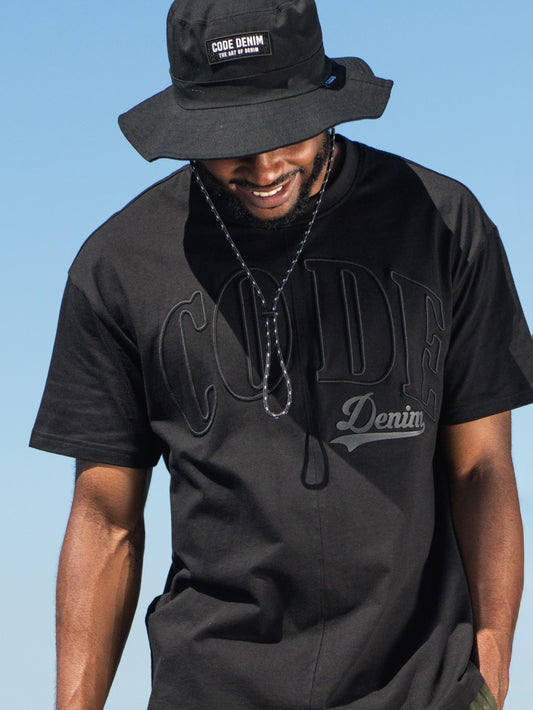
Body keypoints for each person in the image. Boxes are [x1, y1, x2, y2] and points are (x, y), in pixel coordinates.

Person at [30, 1, 533, 709]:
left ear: (324, 101)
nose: (265, 164)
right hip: (211, 689)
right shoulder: (118, 266)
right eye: (231, 138)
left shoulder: (441, 224)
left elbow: (481, 467)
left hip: (419, 690)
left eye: (286, 129)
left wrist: (491, 672)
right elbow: (104, 519)